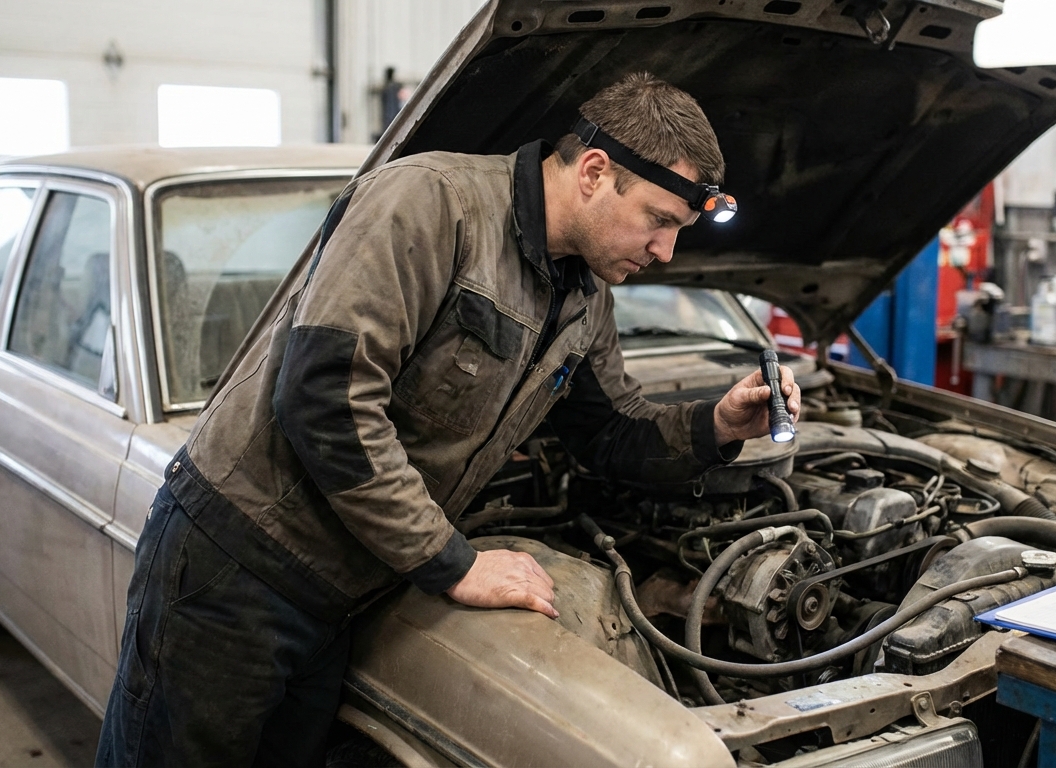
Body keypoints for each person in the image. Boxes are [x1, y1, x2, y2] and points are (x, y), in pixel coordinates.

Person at [96, 72, 800, 767]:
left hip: (347, 588)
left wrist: (719, 425)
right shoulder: (430, 204)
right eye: (660, 220)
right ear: (593, 172)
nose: (665, 252)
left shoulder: (584, 297)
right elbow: (325, 399)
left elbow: (611, 431)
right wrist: (452, 562)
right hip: (238, 564)